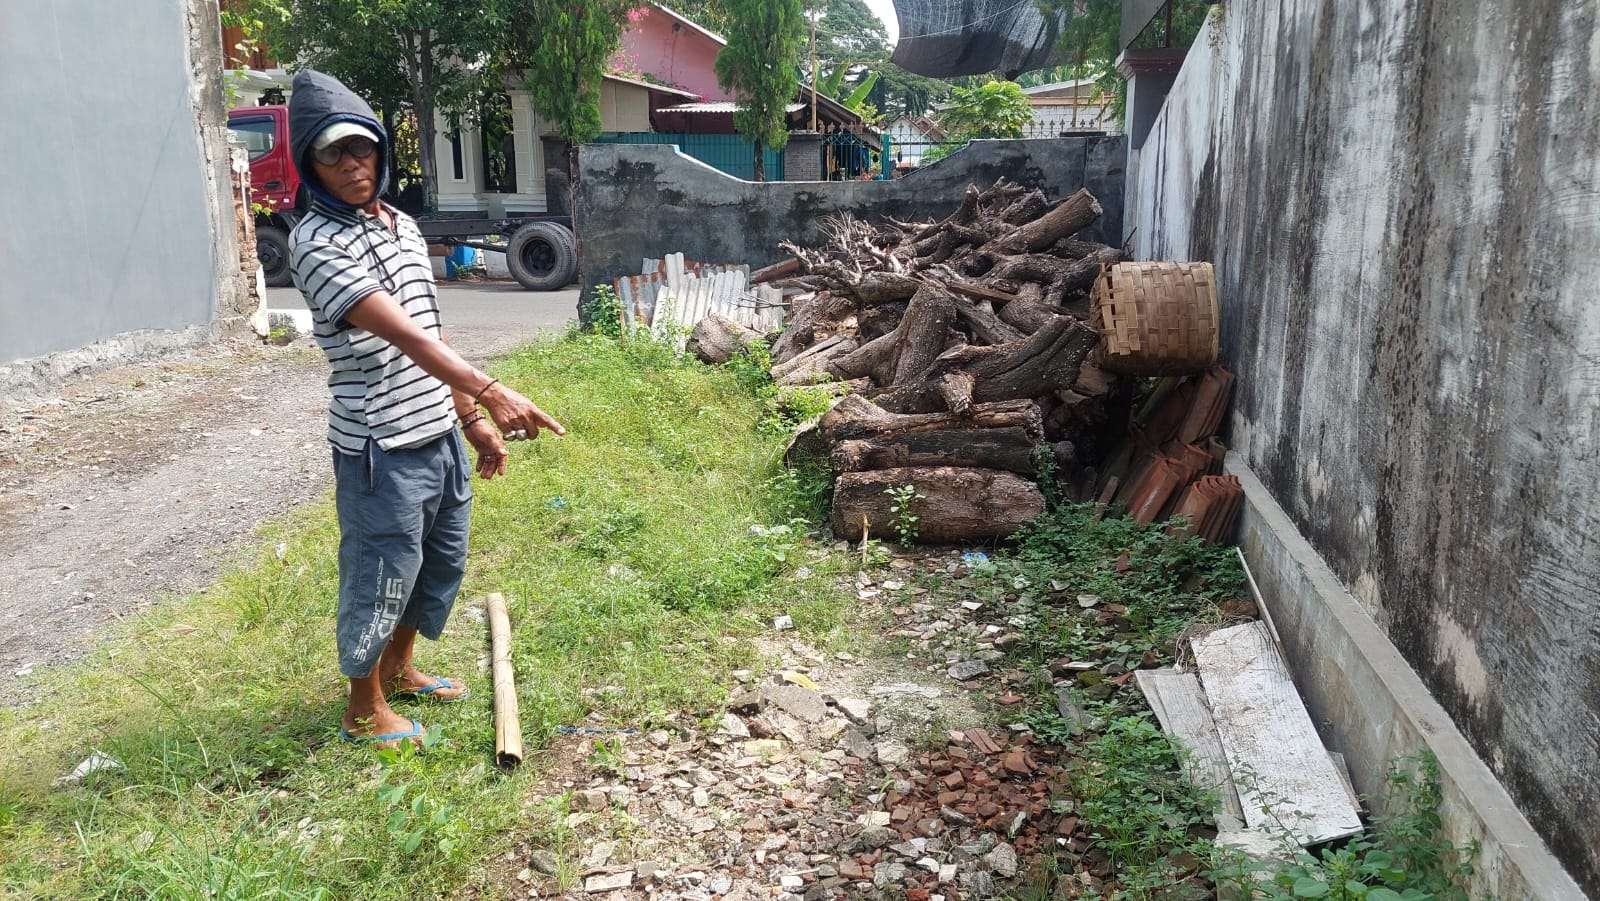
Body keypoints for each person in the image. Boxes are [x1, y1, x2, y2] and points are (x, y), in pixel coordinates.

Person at [285, 69, 564, 748]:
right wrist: (496, 393)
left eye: (363, 149)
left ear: (381, 150)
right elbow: (400, 334)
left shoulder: (403, 227)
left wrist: (470, 417)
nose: (353, 165)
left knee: (437, 563)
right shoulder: (314, 245)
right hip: (379, 445)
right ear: (310, 164)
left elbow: (432, 331)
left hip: (436, 429)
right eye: (334, 154)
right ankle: (361, 707)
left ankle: (401, 668)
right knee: (381, 569)